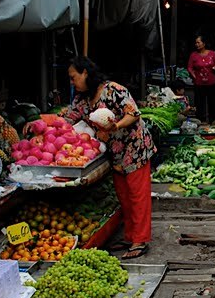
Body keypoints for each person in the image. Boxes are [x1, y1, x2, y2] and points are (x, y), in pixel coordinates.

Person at [64, 57, 155, 259]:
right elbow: (67, 120)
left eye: (73, 77)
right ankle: (131, 236)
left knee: (137, 196)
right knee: (124, 196)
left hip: (134, 148)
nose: (72, 82)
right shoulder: (82, 99)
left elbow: (133, 114)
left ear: (85, 73)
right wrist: (41, 125)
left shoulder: (113, 90)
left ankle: (140, 240)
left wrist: (115, 127)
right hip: (114, 153)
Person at [187, 35, 215, 121]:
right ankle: (200, 121)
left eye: (198, 42)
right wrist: (194, 76)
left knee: (213, 103)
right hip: (199, 83)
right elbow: (189, 67)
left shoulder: (212, 54)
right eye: (196, 43)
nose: (197, 44)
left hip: (211, 82)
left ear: (204, 43)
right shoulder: (193, 55)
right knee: (199, 103)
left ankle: (213, 121)